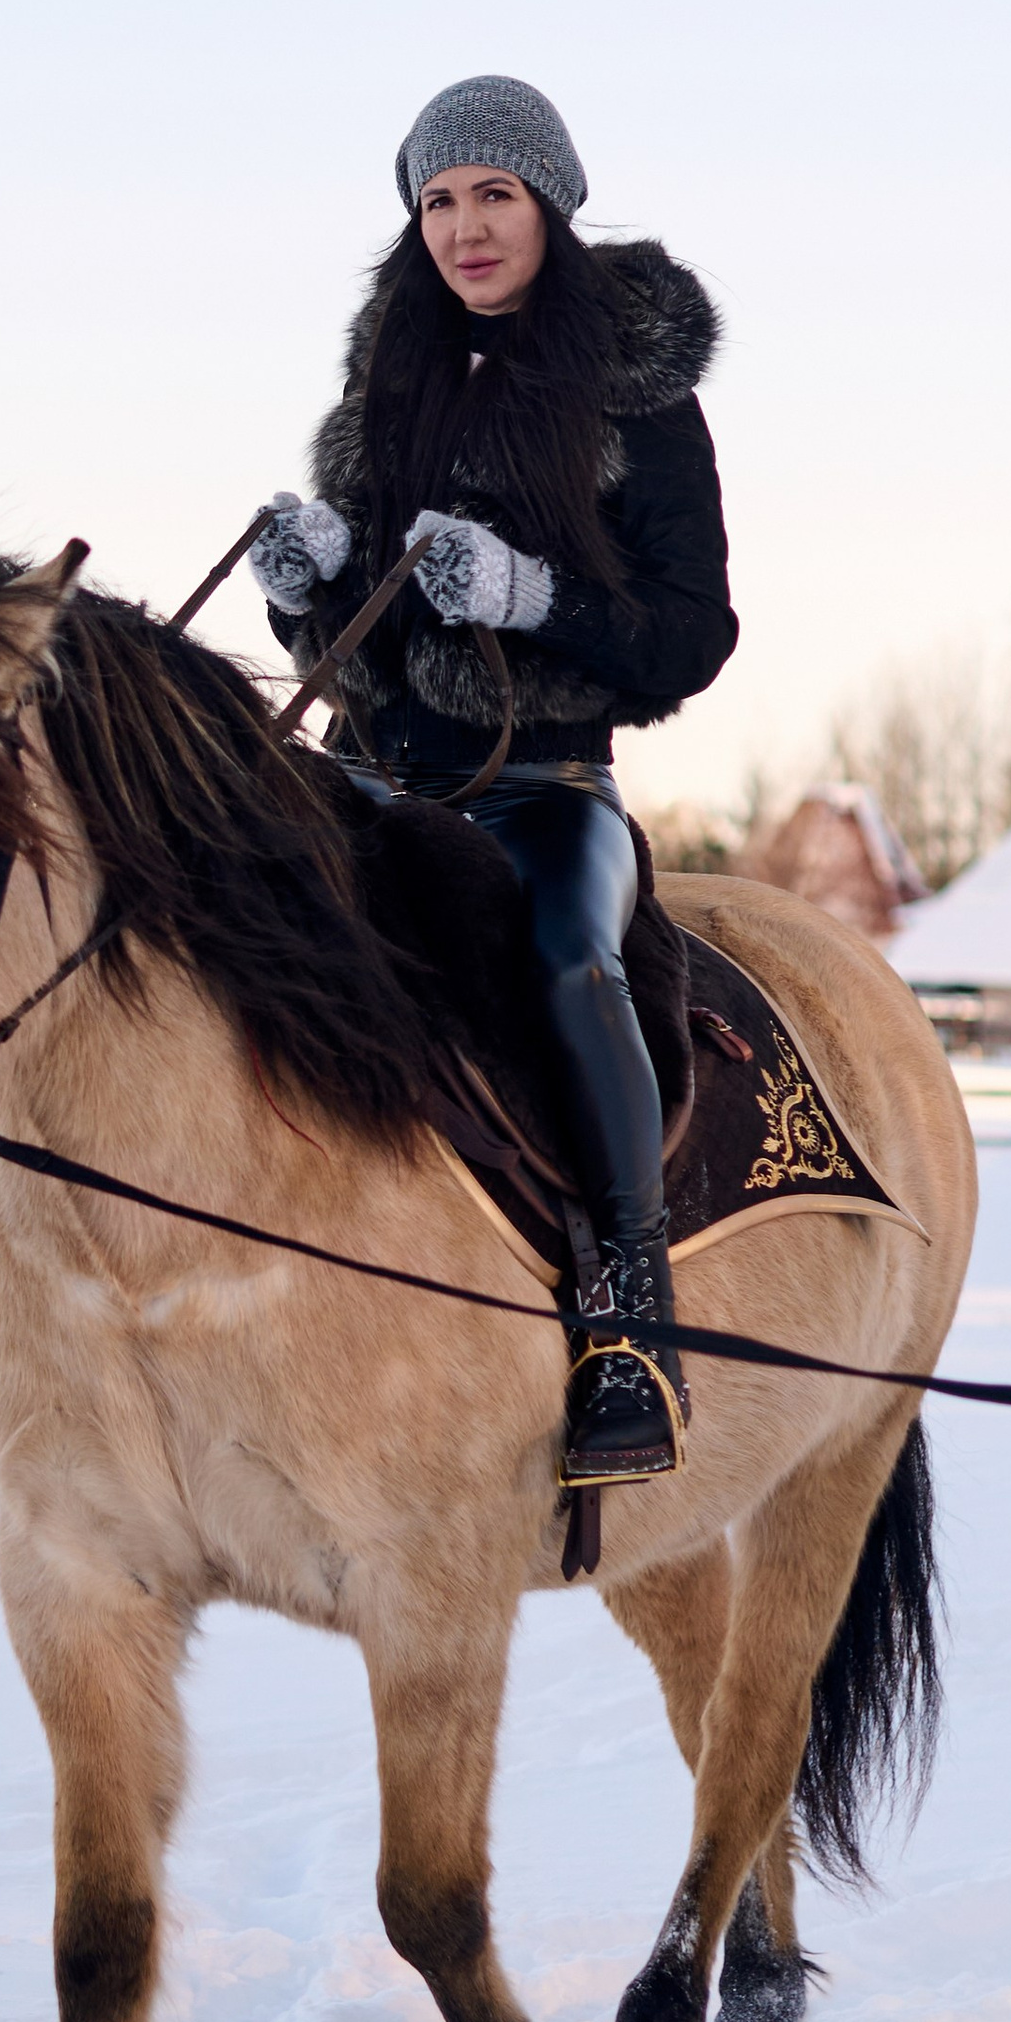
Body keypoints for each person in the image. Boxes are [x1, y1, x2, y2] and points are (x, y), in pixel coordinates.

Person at [252, 75, 737, 1483]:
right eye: (438, 200)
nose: (464, 227)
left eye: (493, 195)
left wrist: (537, 597)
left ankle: (630, 1315)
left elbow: (690, 636)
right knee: (189, 901)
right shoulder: (382, 388)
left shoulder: (640, 399)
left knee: (568, 960)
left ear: (551, 205)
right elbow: (343, 652)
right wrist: (307, 589)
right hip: (364, 776)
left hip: (541, 787)